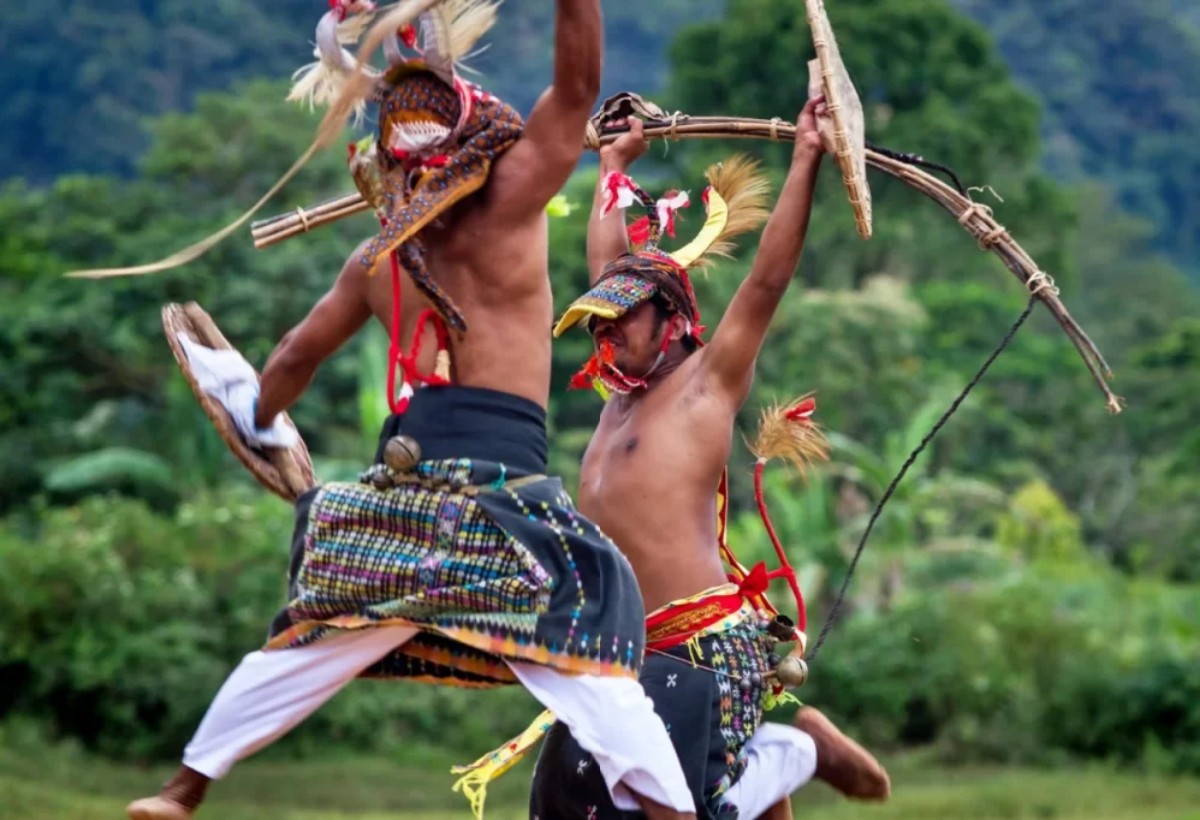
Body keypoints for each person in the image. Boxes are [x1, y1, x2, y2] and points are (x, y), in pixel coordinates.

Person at [126, 2, 697, 818]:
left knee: (309, 634)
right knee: (589, 647)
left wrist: (259, 424)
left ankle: (183, 792)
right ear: (476, 136)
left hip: (400, 495)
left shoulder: (376, 257)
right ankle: (675, 813)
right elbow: (576, 88)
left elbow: (291, 361)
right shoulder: (512, 205)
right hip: (506, 499)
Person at [527, 100, 892, 818]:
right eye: (602, 318)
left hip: (699, 651)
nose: (608, 331)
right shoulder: (617, 392)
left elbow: (765, 282)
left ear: (672, 321)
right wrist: (610, 165)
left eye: (626, 316)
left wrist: (806, 156)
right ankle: (786, 761)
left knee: (691, 811)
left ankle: (800, 749)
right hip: (617, 656)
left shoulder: (704, 387)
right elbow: (608, 269)